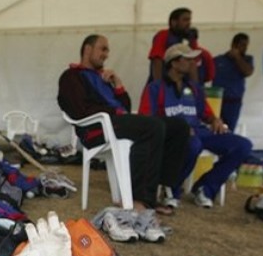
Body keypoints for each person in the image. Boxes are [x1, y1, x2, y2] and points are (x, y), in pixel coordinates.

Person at [58, 34, 190, 241]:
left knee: (179, 127)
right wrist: (110, 111)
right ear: (88, 50)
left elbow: (126, 107)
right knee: (152, 127)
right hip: (97, 128)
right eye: (103, 49)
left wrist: (117, 84)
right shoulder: (71, 76)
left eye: (107, 50)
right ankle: (139, 201)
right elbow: (77, 108)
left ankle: (161, 190)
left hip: (118, 122)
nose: (106, 54)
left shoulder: (104, 78)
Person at [139, 43, 252, 208]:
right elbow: (147, 119)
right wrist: (179, 129)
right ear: (174, 63)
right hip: (175, 137)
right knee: (193, 144)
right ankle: (171, 190)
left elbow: (206, 114)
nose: (193, 63)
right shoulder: (155, 88)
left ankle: (205, 188)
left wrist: (215, 120)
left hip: (200, 132)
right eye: (188, 59)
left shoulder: (193, 88)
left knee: (243, 146)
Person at [213, 33, 255, 133]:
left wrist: (237, 57)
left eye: (246, 45)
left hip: (234, 102)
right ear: (234, 45)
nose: (245, 48)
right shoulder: (218, 60)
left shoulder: (247, 59)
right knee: (215, 128)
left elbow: (248, 72)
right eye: (242, 45)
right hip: (217, 101)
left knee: (229, 130)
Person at [148, 7, 201, 83]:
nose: (189, 23)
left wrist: (195, 86)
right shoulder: (163, 35)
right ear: (173, 22)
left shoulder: (190, 38)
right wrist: (158, 84)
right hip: (164, 82)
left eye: (189, 20)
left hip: (183, 84)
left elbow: (193, 63)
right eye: (185, 20)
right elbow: (157, 60)